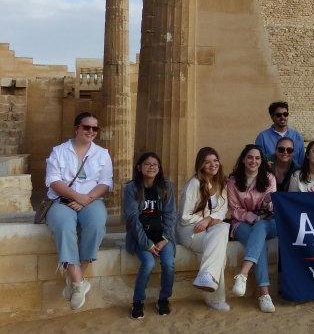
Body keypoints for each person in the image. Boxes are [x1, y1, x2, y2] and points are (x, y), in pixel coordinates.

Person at [44, 112, 113, 310]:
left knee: (97, 225)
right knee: (64, 226)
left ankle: (74, 279)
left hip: (91, 201)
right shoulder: (59, 151)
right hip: (62, 200)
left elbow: (106, 183)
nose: (91, 131)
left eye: (95, 128)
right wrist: (78, 197)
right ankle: (79, 282)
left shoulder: (102, 153)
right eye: (86, 127)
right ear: (77, 129)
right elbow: (53, 181)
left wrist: (86, 200)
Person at [123, 152, 176, 319]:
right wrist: (147, 244)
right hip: (140, 236)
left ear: (159, 168)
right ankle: (138, 302)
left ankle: (164, 299)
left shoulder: (166, 186)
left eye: (155, 164)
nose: (151, 167)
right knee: (148, 263)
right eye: (147, 164)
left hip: (162, 236)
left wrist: (164, 239)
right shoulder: (131, 188)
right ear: (139, 167)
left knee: (168, 263)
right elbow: (132, 219)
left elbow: (170, 215)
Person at [178, 147, 231, 311]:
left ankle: (206, 276)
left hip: (209, 227)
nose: (212, 164)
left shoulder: (221, 183)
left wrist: (209, 220)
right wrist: (204, 220)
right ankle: (215, 299)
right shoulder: (193, 184)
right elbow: (184, 216)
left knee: (224, 228)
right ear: (200, 165)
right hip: (190, 230)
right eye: (207, 162)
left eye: (215, 161)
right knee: (219, 251)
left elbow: (222, 210)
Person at [227, 145, 277, 313]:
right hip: (242, 224)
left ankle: (243, 274)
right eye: (249, 157)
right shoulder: (233, 181)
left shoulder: (269, 178)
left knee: (261, 227)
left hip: (268, 222)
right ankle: (264, 294)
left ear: (261, 161)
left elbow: (273, 207)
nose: (253, 161)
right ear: (243, 159)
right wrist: (250, 216)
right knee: (259, 243)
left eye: (257, 158)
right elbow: (233, 208)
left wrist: (268, 203)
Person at [255, 101, 304, 166]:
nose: (282, 117)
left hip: (294, 175)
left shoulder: (298, 137)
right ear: (272, 117)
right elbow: (259, 161)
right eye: (278, 115)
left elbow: (301, 161)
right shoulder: (262, 137)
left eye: (285, 114)